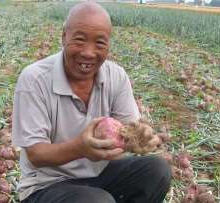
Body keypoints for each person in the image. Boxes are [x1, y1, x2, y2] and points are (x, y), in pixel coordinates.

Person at [12, 2, 171, 203]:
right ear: (64, 37)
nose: (88, 52)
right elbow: (36, 154)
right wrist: (80, 148)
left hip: (97, 177)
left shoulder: (116, 76)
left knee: (156, 170)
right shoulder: (34, 79)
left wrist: (140, 137)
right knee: (98, 201)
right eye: (79, 40)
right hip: (46, 185)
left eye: (99, 43)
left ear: (108, 45)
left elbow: (130, 129)